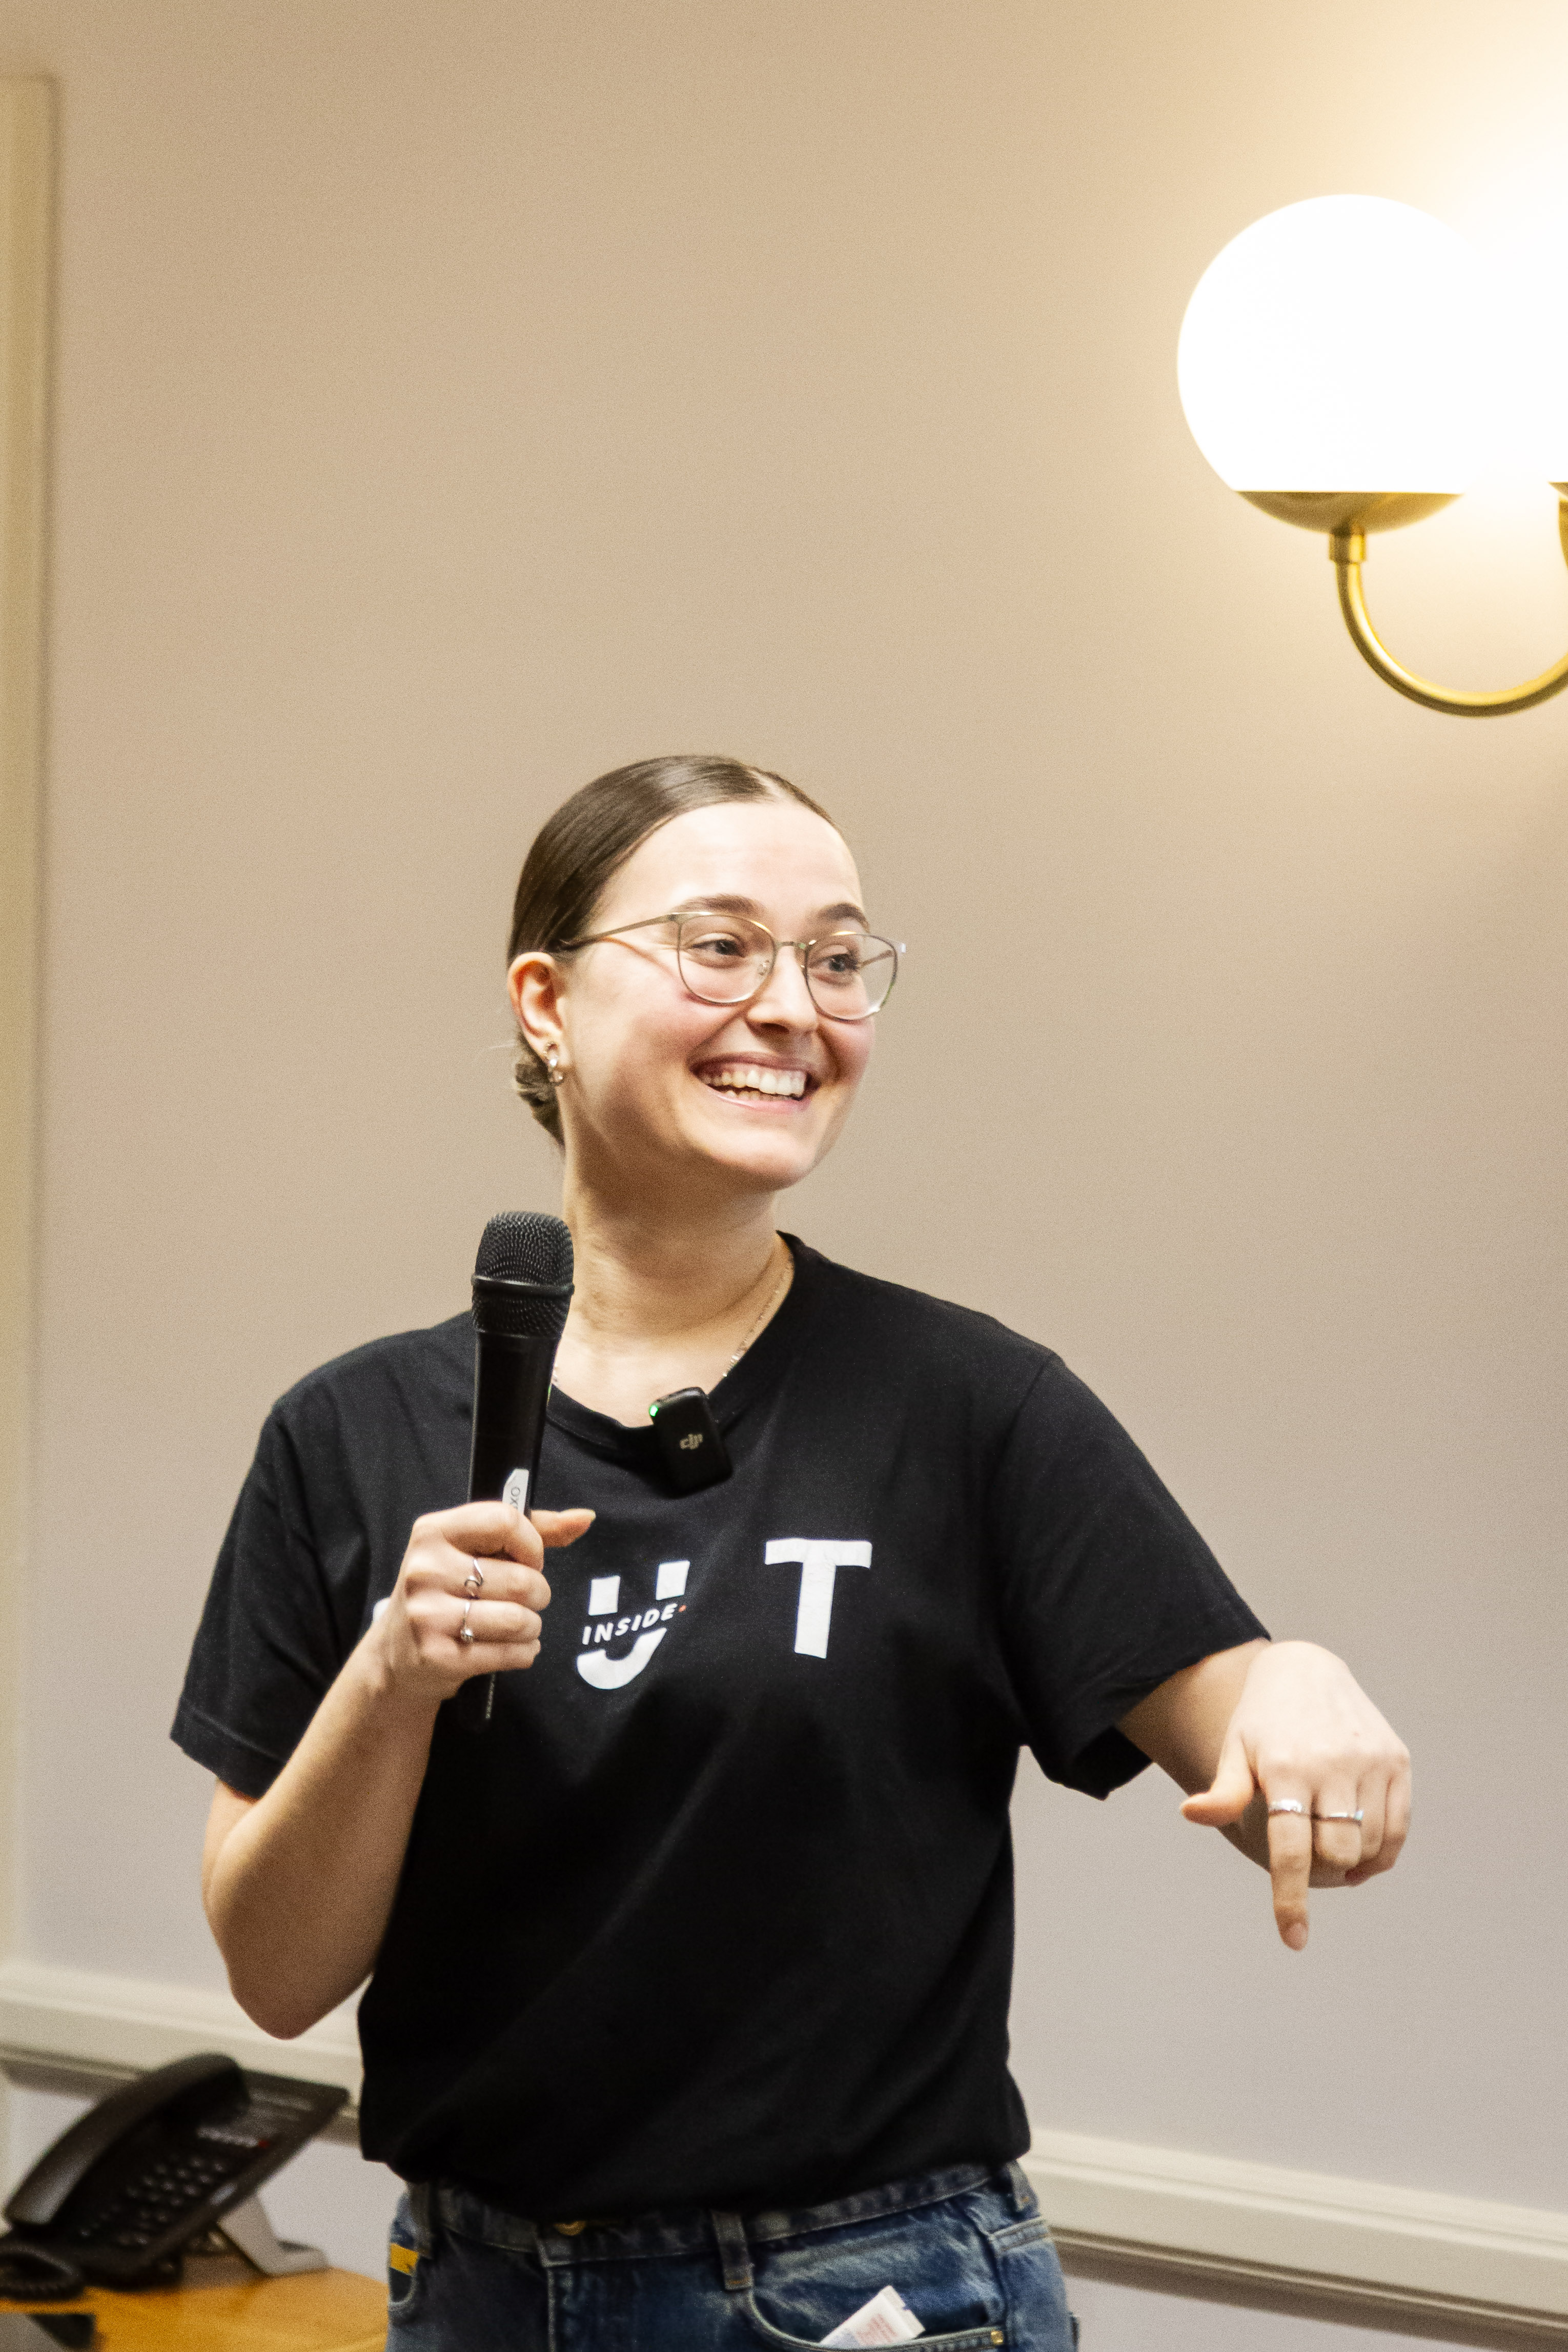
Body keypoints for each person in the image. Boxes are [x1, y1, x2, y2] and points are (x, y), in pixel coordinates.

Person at [175, 755, 1411, 2351]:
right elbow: (276, 1974)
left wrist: (1300, 1686)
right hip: (473, 2288)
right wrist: (392, 1675)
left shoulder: (968, 1404)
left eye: (835, 960)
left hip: (861, 2291)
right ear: (544, 1000)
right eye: (719, 946)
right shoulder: (347, 1433)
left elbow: (1244, 1730)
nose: (790, 1006)